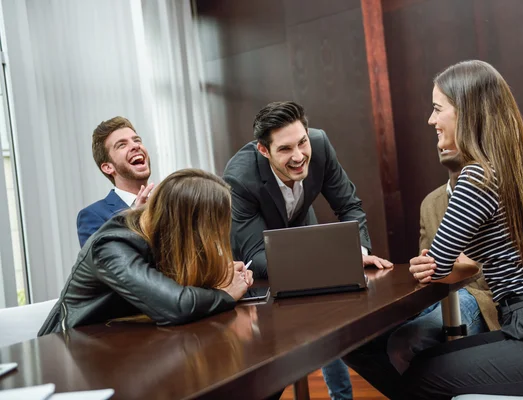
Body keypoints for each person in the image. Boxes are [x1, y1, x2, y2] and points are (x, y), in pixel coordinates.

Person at [393, 60, 523, 399]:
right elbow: (469, 263)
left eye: (437, 109)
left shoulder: (475, 177)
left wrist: (429, 264)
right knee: (427, 364)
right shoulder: (509, 171)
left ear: (465, 111)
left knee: (422, 377)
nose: (431, 120)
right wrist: (438, 263)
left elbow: (439, 265)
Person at [223, 101, 393, 400]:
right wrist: (329, 264)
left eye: (302, 142)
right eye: (285, 149)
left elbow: (349, 206)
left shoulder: (320, 144)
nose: (299, 156)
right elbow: (257, 256)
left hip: (302, 230)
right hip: (258, 258)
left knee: (329, 320)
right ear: (264, 150)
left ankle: (341, 396)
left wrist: (359, 251)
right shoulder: (239, 178)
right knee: (274, 351)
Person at [343, 151, 499, 398]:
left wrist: (464, 266)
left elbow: (503, 262)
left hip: (480, 294)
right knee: (352, 343)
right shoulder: (430, 202)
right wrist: (423, 266)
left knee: (406, 343)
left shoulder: (493, 186)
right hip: (439, 295)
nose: (440, 141)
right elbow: (430, 271)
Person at [39, 169, 252, 335]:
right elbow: (175, 305)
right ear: (190, 225)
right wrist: (225, 293)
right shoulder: (110, 246)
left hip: (126, 344)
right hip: (74, 354)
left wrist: (222, 275)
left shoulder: (161, 234)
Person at [77, 116, 155, 247]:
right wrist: (136, 219)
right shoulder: (92, 216)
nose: (135, 146)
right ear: (108, 167)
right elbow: (109, 264)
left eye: (137, 140)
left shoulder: (167, 204)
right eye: (122, 145)